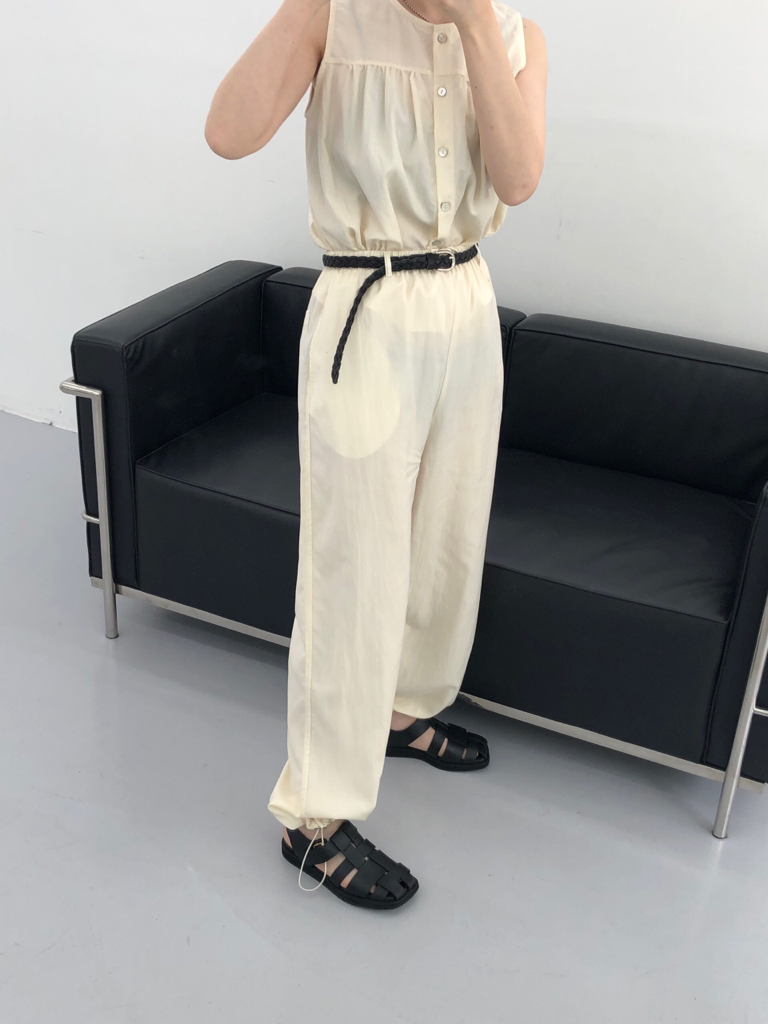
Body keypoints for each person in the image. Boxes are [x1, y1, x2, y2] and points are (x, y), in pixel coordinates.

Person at [205, 0, 547, 910]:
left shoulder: (515, 32)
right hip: (369, 307)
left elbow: (517, 179)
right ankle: (313, 820)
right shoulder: (334, 12)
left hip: (468, 305)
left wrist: (475, 25)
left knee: (445, 543)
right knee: (352, 570)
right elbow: (229, 134)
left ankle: (404, 710)